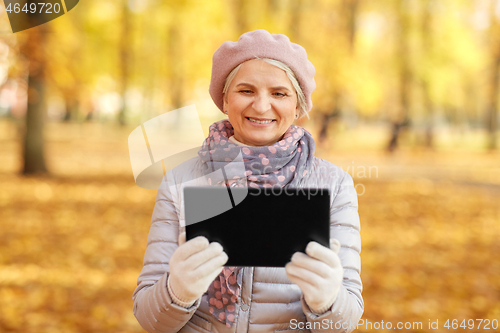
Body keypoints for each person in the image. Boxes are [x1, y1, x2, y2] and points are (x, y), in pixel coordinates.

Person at [132, 29, 363, 333]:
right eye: (246, 91)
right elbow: (150, 319)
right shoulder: (180, 180)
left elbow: (345, 322)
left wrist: (327, 302)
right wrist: (177, 291)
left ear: (298, 106)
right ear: (224, 99)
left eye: (279, 93)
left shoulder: (334, 185)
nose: (261, 106)